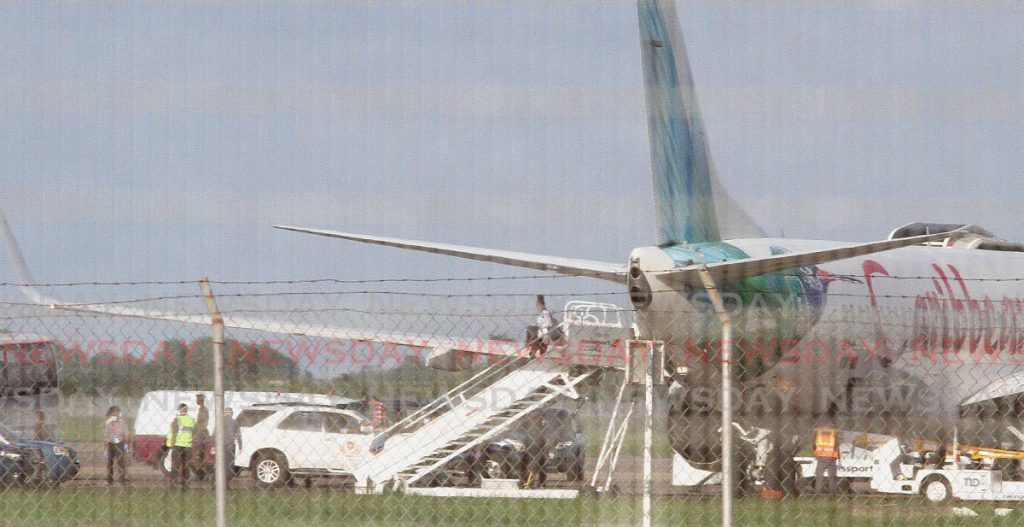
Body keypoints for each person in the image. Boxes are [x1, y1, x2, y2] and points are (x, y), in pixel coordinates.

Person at [167, 403, 196, 489]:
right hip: (188, 445)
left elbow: (173, 433)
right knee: (186, 465)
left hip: (178, 445)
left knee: (175, 464)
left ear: (180, 409)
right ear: (186, 410)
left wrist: (171, 445)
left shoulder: (177, 419)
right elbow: (195, 432)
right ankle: (185, 482)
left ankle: (172, 482)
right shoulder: (191, 420)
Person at [103, 406, 130, 487]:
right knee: (109, 463)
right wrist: (105, 448)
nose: (115, 414)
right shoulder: (108, 423)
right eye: (113, 413)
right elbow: (106, 436)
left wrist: (126, 444)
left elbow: (126, 434)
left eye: (117, 412)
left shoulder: (122, 423)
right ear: (111, 414)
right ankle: (109, 480)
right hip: (111, 444)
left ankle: (122, 480)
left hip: (120, 443)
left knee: (120, 462)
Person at [813, 426, 840, 496]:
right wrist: (838, 456)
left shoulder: (818, 432)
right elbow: (837, 445)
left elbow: (814, 444)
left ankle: (817, 493)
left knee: (819, 477)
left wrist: (815, 454)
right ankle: (833, 494)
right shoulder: (834, 432)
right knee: (832, 477)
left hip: (821, 456)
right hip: (832, 456)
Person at [221, 408, 241, 486]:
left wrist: (214, 445)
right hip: (230, 445)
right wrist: (240, 446)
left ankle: (217, 481)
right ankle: (226, 482)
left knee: (221, 463)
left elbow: (215, 433)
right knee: (229, 464)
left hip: (221, 445)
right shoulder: (234, 422)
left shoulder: (220, 422)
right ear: (232, 413)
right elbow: (238, 435)